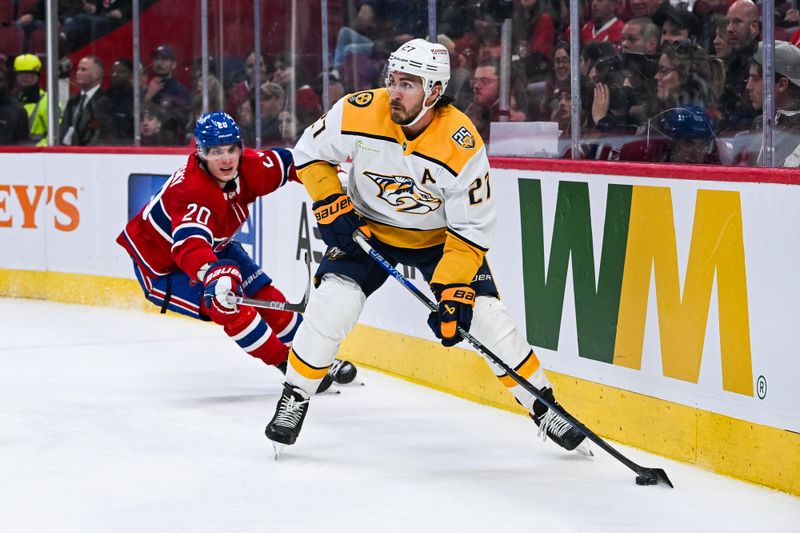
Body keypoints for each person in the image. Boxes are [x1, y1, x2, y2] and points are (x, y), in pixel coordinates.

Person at [264, 38, 587, 454]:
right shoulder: (360, 109)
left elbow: (471, 228)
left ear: (434, 91)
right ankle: (296, 396)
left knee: (489, 320)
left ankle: (544, 407)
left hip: (438, 241)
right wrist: (330, 201)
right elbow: (308, 152)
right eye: (392, 80)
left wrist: (454, 292)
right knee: (332, 306)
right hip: (370, 231)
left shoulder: (462, 144)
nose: (394, 91)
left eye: (408, 84)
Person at [116, 111, 356, 389]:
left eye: (232, 149)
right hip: (165, 267)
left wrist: (335, 180)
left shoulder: (250, 166)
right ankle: (289, 365)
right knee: (225, 302)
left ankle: (315, 358)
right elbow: (189, 244)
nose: (227, 159)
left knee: (265, 294)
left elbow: (295, 163)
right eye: (215, 152)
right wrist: (213, 274)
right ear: (200, 152)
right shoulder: (192, 190)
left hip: (216, 245)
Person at [60, 55, 105, 146]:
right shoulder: (72, 101)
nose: (78, 73)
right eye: (78, 69)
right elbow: (63, 130)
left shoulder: (105, 101)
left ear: (96, 74)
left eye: (83, 70)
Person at [12, 54, 49, 146]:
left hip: (37, 155)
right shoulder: (10, 100)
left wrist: (36, 149)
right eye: (21, 74)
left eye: (29, 74)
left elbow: (57, 134)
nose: (25, 77)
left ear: (37, 76)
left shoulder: (47, 101)